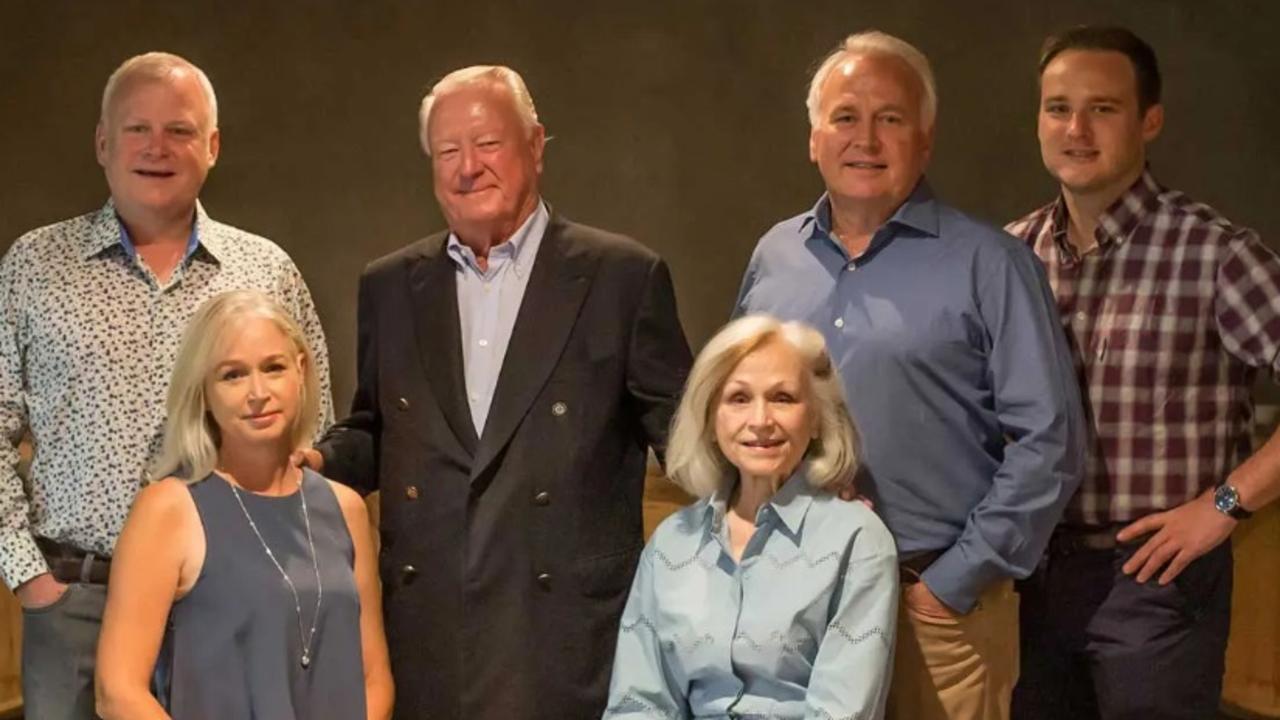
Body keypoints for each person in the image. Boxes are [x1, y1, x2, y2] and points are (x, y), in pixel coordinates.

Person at [303, 65, 692, 719]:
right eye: (448, 151)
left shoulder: (621, 277)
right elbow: (374, 426)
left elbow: (686, 437)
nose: (467, 168)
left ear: (536, 145)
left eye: (487, 145)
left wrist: (777, 484)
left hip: (568, 632)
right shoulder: (391, 285)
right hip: (429, 632)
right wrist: (312, 464)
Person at [734, 31, 1085, 720]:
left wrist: (952, 583)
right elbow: (738, 415)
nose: (865, 138)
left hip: (934, 610)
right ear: (814, 138)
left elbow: (1051, 442)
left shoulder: (991, 264)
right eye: (844, 117)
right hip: (793, 608)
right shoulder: (774, 257)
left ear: (924, 140)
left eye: (890, 119)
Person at [0, 52, 332, 718]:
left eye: (180, 130)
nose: (158, 148)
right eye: (136, 129)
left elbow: (312, 424)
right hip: (75, 602)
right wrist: (28, 576)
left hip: (232, 597)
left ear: (211, 146)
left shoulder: (264, 270)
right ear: (102, 142)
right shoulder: (34, 266)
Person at [1006, 26, 1280, 719]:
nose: (1075, 128)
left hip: (1157, 582)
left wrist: (1223, 506)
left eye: (1102, 108)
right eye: (1057, 107)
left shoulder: (1215, 254)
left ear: (1149, 120)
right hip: (1028, 580)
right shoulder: (1009, 258)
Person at [94, 290, 390, 719]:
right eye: (232, 375)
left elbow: (374, 678)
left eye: (273, 368)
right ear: (204, 392)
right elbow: (118, 692)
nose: (257, 392)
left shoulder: (346, 509)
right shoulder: (169, 509)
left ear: (301, 372)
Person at [604, 315, 898, 719]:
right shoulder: (672, 543)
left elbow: (841, 712)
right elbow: (638, 703)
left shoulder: (858, 542)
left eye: (783, 398)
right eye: (738, 399)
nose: (760, 421)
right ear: (711, 419)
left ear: (816, 419)